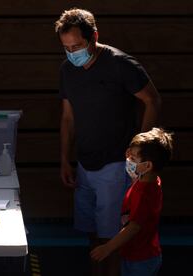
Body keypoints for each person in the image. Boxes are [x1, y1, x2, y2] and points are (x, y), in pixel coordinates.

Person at [55, 8, 161, 275]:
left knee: (111, 239)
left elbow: (152, 100)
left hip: (115, 163)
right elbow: (68, 118)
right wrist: (64, 160)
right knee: (91, 233)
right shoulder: (68, 69)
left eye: (77, 46)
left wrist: (140, 147)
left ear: (94, 37)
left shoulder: (120, 64)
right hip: (84, 163)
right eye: (66, 47)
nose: (72, 52)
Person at [91, 128, 173, 276]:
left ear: (147, 166)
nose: (129, 160)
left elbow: (133, 227)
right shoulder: (151, 180)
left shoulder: (143, 194)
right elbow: (139, 179)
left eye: (133, 158)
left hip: (139, 259)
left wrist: (108, 248)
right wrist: (134, 163)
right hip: (144, 254)